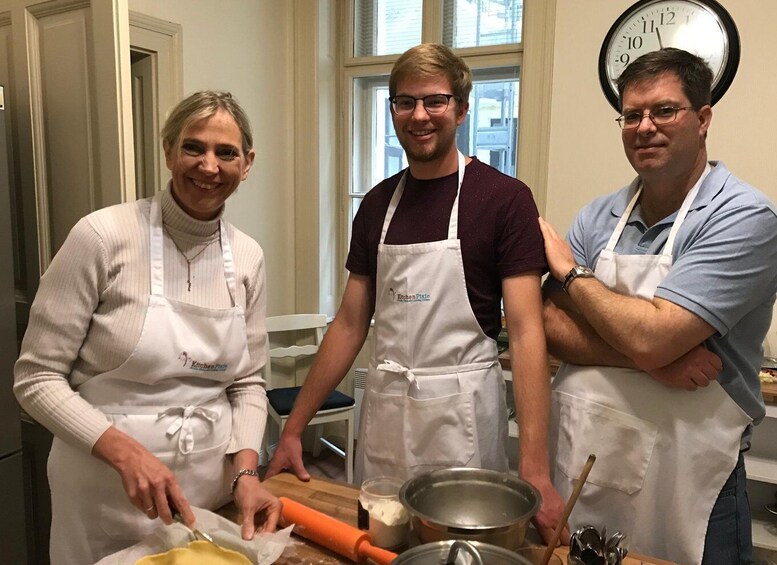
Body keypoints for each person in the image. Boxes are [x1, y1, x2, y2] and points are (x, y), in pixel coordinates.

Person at [265, 43, 566, 542]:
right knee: (380, 541)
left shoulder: (504, 199)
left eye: (435, 101)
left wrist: (534, 467)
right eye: (405, 102)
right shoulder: (377, 204)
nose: (419, 115)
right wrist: (295, 427)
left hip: (462, 414)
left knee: (460, 548)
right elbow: (349, 323)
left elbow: (528, 331)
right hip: (386, 410)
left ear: (462, 108)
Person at [14, 90, 281, 564]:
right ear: (168, 151)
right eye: (193, 147)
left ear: (247, 163)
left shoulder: (248, 257)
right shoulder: (102, 237)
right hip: (104, 487)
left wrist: (246, 473)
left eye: (226, 153)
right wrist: (126, 453)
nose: (209, 166)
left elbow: (248, 383)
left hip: (205, 490)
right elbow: (36, 379)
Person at [539, 48, 777, 564]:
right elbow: (548, 325)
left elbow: (655, 335)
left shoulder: (744, 217)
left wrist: (571, 274)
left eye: (664, 110)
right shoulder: (598, 216)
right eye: (631, 115)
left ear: (704, 118)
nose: (644, 126)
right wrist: (651, 361)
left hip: (693, 476)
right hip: (589, 464)